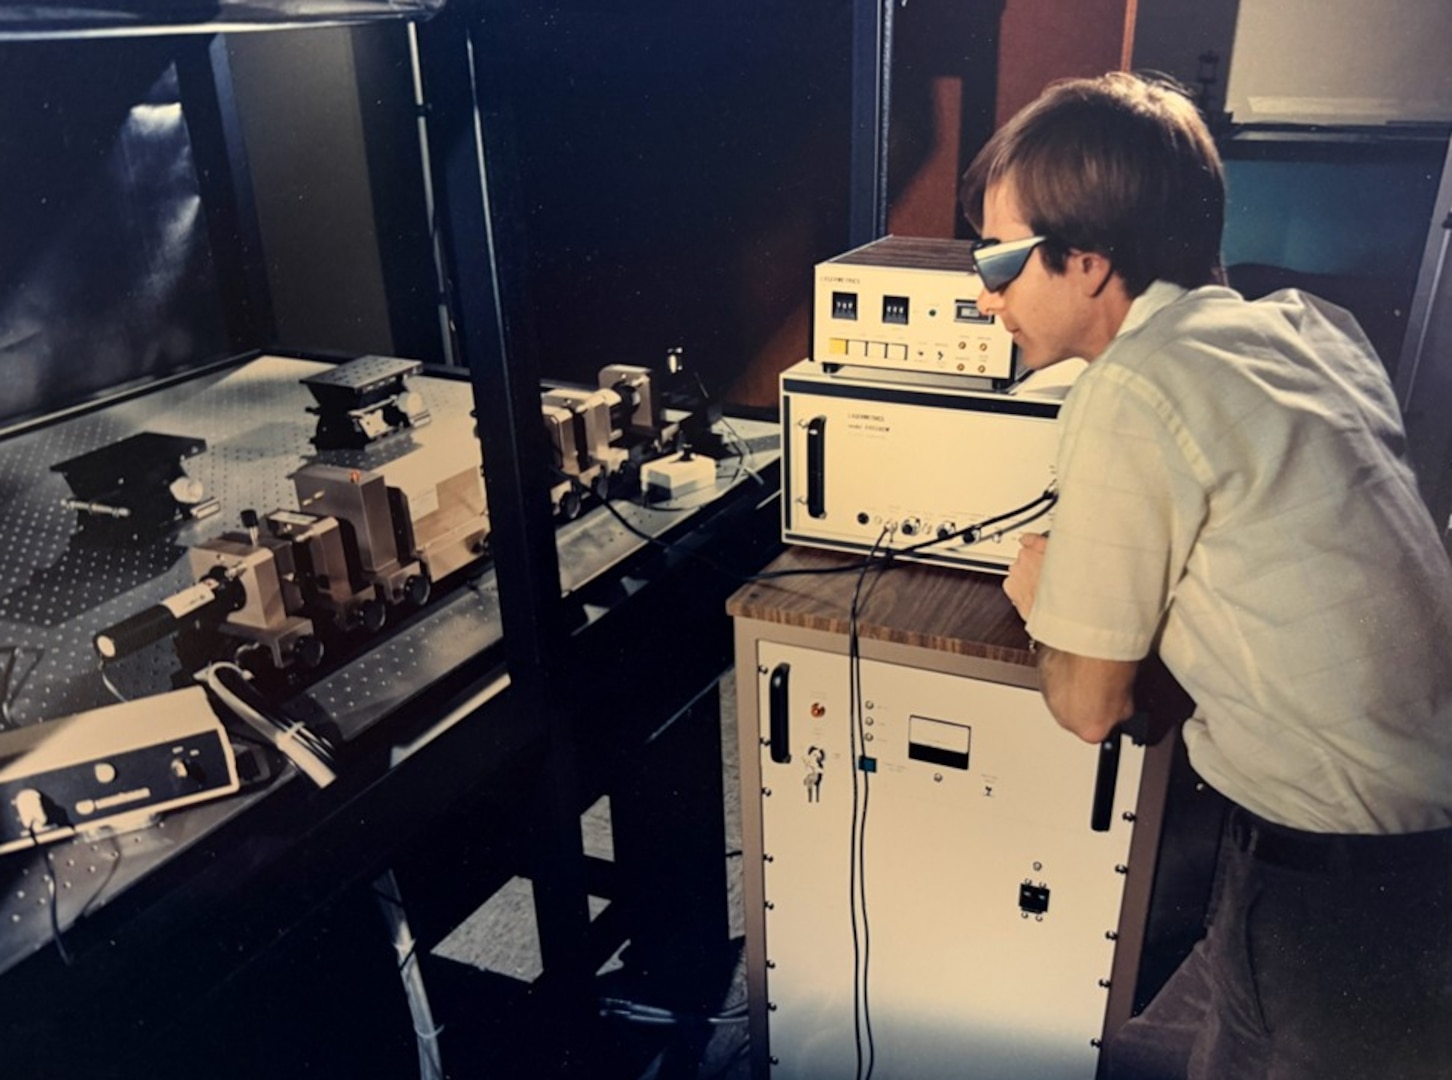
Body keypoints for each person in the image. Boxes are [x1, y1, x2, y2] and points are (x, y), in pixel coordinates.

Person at [959, 72, 1452, 1079]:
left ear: (1089, 262)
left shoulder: (1133, 388)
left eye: (1002, 259)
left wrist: (1042, 595)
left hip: (1341, 885)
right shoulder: (1309, 330)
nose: (984, 292)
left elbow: (1091, 708)